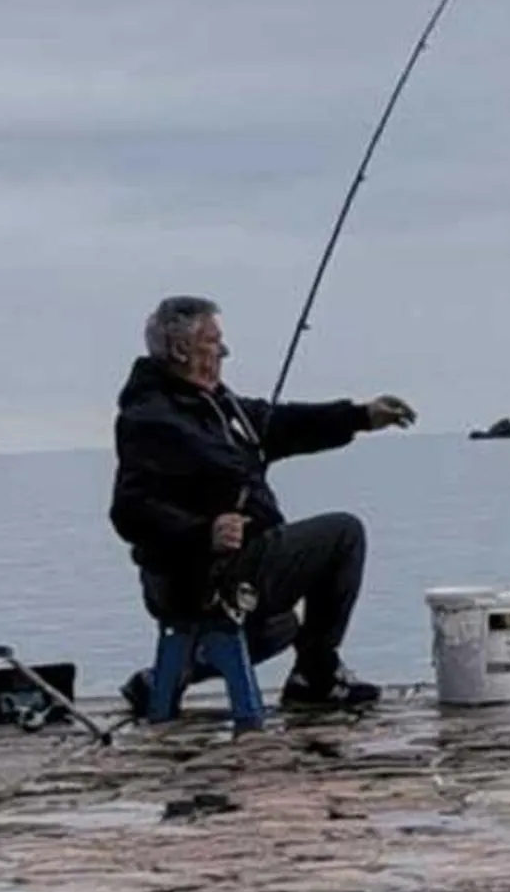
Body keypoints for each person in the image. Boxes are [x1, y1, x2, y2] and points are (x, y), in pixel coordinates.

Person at [111, 295, 416, 715]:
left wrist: (360, 416)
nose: (224, 351)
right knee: (344, 533)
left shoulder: (216, 404)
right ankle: (316, 677)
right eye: (213, 342)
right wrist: (204, 532)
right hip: (200, 574)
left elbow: (283, 424)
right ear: (182, 350)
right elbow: (129, 511)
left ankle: (166, 677)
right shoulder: (151, 418)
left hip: (236, 565)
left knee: (280, 627)